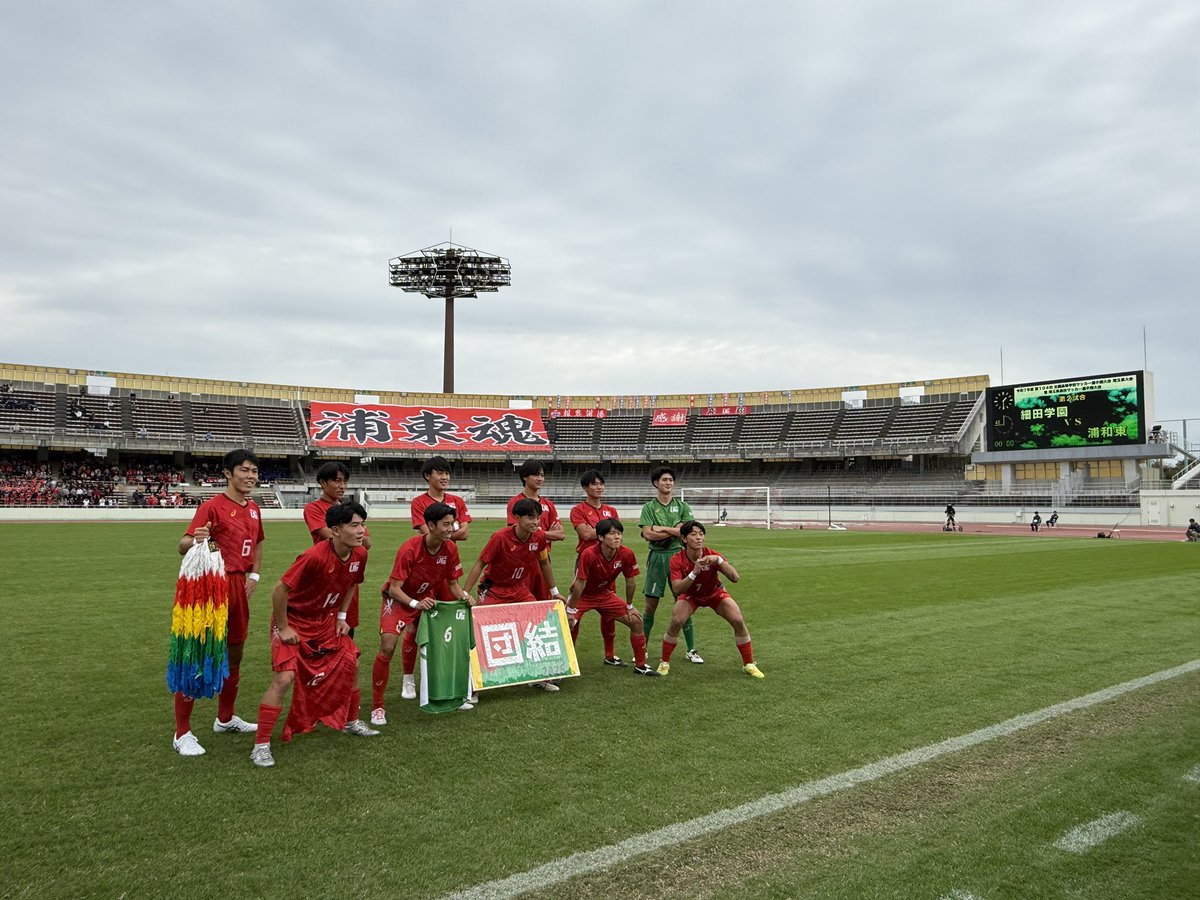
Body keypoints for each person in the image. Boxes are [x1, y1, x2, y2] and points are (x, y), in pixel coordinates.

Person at [250, 502, 377, 768]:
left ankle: (351, 721)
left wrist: (341, 617)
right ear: (335, 530)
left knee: (351, 663)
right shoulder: (314, 556)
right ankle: (260, 746)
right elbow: (279, 590)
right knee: (284, 679)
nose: (361, 531)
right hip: (294, 620)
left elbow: (352, 584)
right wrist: (284, 627)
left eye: (363, 525)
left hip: (325, 622)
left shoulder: (360, 555)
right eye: (354, 525)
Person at [172, 449, 265, 756]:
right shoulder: (212, 506)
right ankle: (182, 732)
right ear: (228, 473)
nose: (250, 476)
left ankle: (225, 719)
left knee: (235, 652)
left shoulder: (254, 509)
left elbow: (259, 542)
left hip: (239, 585)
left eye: (254, 471)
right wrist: (196, 539)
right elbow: (183, 544)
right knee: (197, 652)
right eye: (244, 470)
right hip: (212, 587)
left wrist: (255, 576)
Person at [371, 502, 474, 725]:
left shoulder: (450, 548)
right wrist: (415, 603)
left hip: (425, 599)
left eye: (452, 524)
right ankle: (377, 706)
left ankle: (447, 695)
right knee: (387, 646)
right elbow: (394, 589)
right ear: (431, 525)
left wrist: (465, 596)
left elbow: (453, 584)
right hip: (399, 600)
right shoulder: (410, 549)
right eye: (446, 524)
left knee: (439, 642)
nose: (451, 529)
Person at [463, 497, 564, 692]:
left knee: (536, 624)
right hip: (494, 589)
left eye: (537, 517)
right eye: (530, 517)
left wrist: (554, 592)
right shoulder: (500, 537)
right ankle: (473, 686)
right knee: (482, 632)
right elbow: (480, 564)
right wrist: (465, 592)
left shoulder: (539, 537)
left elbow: (544, 563)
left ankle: (537, 676)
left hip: (518, 588)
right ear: (516, 517)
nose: (535, 522)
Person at [395, 456, 473, 701]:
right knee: (415, 625)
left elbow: (465, 533)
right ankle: (408, 678)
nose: (445, 477)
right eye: (439, 473)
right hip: (424, 572)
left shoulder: (457, 500)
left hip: (447, 570)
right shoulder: (419, 502)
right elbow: (427, 534)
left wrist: (446, 533)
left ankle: (445, 675)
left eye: (447, 473)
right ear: (427, 476)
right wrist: (451, 532)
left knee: (448, 624)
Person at [657, 521, 763, 679]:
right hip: (691, 595)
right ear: (684, 539)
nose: (698, 537)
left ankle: (748, 664)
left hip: (714, 592)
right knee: (676, 621)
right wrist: (694, 573)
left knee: (738, 620)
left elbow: (735, 577)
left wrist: (719, 561)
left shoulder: (712, 554)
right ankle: (664, 662)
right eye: (693, 534)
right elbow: (677, 589)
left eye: (701, 534)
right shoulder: (677, 559)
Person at [569, 519, 658, 677]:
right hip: (583, 596)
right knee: (568, 625)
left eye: (619, 533)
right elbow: (580, 583)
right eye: (612, 533)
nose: (617, 537)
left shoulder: (626, 553)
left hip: (605, 594)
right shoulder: (588, 554)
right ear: (600, 537)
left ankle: (640, 665)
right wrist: (571, 609)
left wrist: (629, 606)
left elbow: (630, 582)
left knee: (636, 621)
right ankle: (567, 665)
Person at [638, 466, 702, 664]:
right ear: (656, 483)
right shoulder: (649, 507)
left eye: (670, 480)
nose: (668, 483)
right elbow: (647, 534)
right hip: (657, 557)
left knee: (683, 603)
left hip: (678, 556)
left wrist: (660, 528)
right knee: (650, 606)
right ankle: (642, 649)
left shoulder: (682, 506)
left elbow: (687, 532)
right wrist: (674, 530)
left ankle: (691, 650)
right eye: (664, 480)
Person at [303, 462, 373, 637]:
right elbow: (328, 534)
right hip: (325, 574)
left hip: (348, 574)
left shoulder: (350, 509)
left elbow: (368, 542)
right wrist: (355, 538)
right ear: (323, 482)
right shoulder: (314, 508)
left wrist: (354, 537)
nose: (343, 486)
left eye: (345, 481)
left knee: (347, 629)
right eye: (337, 481)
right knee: (322, 629)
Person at [568, 469, 622, 665]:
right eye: (594, 484)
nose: (599, 487)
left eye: (601, 483)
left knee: (609, 611)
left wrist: (596, 530)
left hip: (608, 563)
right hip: (586, 562)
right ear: (585, 487)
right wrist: (604, 531)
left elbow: (615, 536)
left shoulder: (611, 510)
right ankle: (569, 658)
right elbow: (585, 534)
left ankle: (610, 655)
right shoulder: (578, 510)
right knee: (574, 610)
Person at [506, 459, 565, 603]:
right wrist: (547, 534)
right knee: (521, 602)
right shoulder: (515, 503)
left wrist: (537, 533)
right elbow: (518, 534)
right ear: (525, 477)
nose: (540, 479)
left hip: (544, 559)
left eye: (542, 475)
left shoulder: (548, 504)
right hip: (523, 559)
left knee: (543, 602)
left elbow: (561, 534)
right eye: (536, 475)